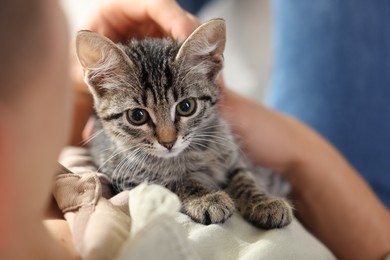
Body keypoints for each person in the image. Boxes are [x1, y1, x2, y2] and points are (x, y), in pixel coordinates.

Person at [0, 1, 388, 260]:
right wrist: (298, 148)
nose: (168, 137)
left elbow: (233, 168)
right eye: (141, 118)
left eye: (184, 109)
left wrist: (78, 91)